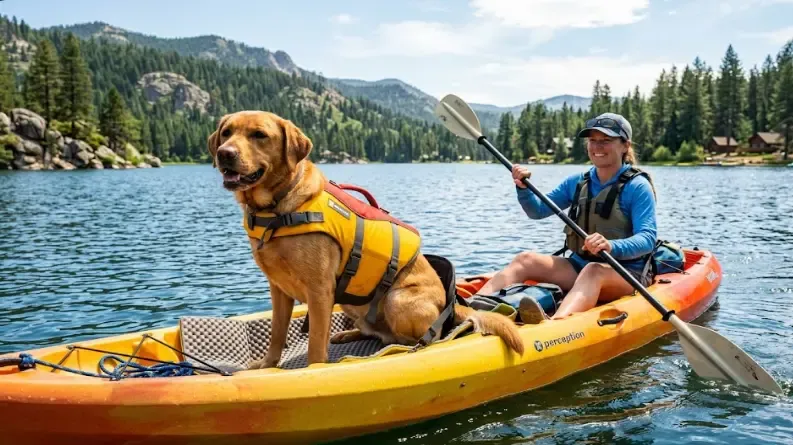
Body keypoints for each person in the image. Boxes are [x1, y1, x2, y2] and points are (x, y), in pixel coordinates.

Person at [476, 112, 658, 324]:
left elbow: (647, 239)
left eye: (606, 141)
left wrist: (611, 245)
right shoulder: (578, 182)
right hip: (580, 266)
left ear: (625, 145)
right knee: (526, 260)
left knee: (594, 271)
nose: (597, 147)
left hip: (627, 274)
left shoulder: (637, 186)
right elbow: (537, 211)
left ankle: (555, 327)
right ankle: (471, 307)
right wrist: (523, 189)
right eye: (592, 140)